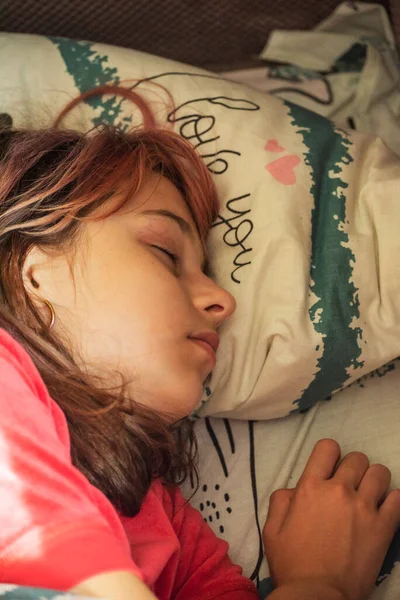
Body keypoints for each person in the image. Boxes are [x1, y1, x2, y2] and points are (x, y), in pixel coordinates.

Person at [0, 90, 399, 600]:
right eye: (166, 253)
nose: (222, 301)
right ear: (35, 272)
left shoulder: (164, 518)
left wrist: (311, 581)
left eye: (206, 270)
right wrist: (322, 585)